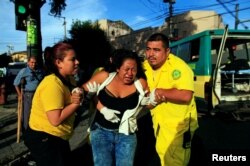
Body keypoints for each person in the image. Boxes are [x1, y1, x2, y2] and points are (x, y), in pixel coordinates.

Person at [82, 49, 149, 166]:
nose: (130, 73)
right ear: (118, 68)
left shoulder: (141, 83)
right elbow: (81, 91)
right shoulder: (104, 76)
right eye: (126, 69)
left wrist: (151, 101)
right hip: (100, 132)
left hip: (127, 134)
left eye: (133, 70)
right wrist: (101, 107)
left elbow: (149, 104)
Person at [24, 42, 83, 166]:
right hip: (44, 137)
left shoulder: (68, 78)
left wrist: (78, 92)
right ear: (58, 63)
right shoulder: (52, 84)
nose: (77, 62)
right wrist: (76, 104)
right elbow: (55, 120)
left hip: (57, 135)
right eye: (72, 59)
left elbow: (71, 93)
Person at [144, 33, 199, 166]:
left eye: (156, 50)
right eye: (148, 49)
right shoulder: (146, 65)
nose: (151, 54)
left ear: (167, 51)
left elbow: (186, 95)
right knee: (163, 156)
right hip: (159, 123)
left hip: (178, 127)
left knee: (175, 161)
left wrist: (159, 92)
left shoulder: (179, 67)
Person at [13, 56, 44, 131]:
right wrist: (20, 95)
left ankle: (35, 128)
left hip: (38, 94)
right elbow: (15, 83)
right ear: (28, 63)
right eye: (32, 62)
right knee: (26, 113)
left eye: (35, 62)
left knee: (37, 112)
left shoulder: (40, 71)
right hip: (28, 95)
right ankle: (25, 129)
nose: (33, 64)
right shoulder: (24, 71)